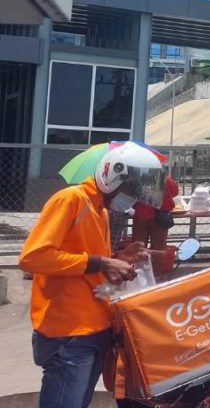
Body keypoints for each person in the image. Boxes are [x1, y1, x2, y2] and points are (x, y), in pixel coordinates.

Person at [19, 142, 159, 408]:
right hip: (68, 333)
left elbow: (93, 272)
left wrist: (121, 259)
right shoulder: (70, 200)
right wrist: (100, 262)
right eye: (130, 188)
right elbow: (32, 257)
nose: (132, 195)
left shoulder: (101, 211)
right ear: (112, 175)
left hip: (95, 328)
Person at [131, 164, 177, 252]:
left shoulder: (138, 179)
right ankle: (158, 265)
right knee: (159, 249)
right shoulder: (166, 179)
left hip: (141, 216)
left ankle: (140, 266)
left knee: (138, 248)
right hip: (160, 218)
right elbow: (175, 192)